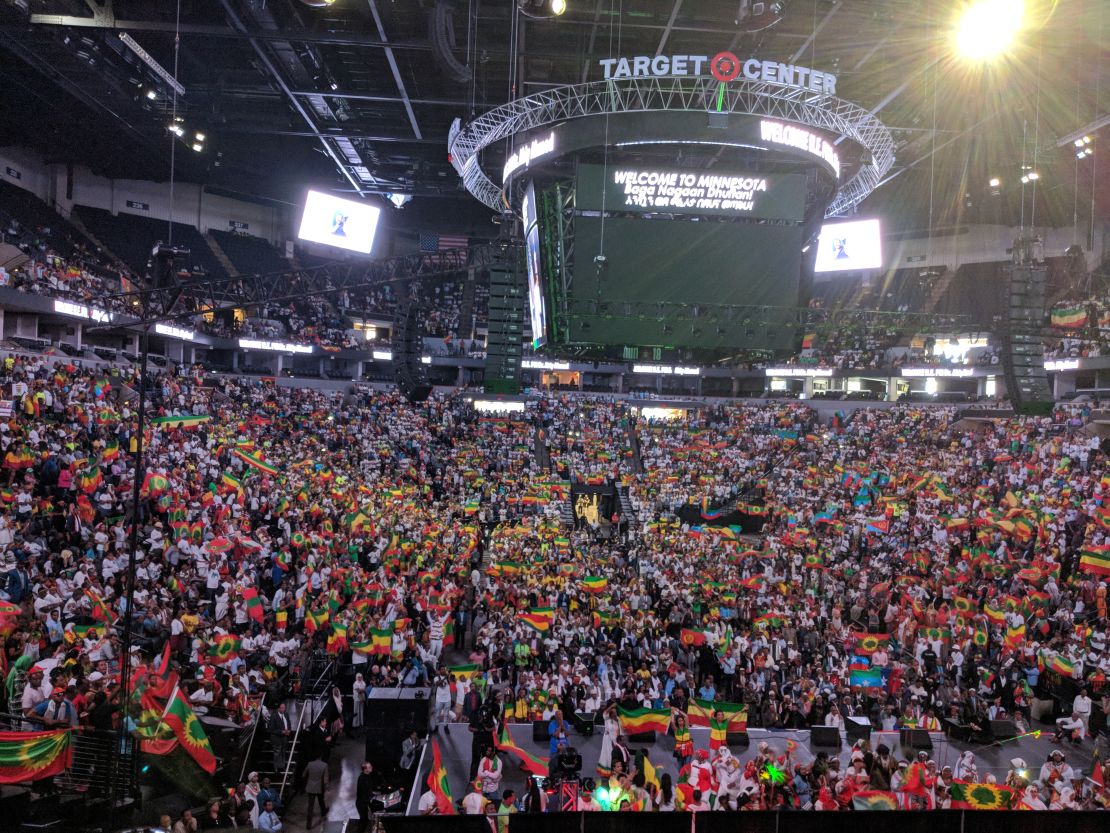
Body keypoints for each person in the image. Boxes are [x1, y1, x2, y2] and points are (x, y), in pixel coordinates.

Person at [303, 754, 329, 828]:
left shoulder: (310, 764)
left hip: (310, 787)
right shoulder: (324, 765)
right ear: (321, 757)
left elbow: (304, 774)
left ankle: (308, 825)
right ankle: (323, 813)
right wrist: (327, 787)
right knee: (321, 801)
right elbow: (326, 778)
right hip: (319, 787)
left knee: (310, 806)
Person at [268, 702, 293, 774]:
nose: (283, 709)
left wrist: (289, 730)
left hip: (284, 738)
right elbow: (271, 729)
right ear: (278, 708)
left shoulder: (286, 715)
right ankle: (276, 767)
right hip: (276, 738)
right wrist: (281, 732)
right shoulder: (274, 716)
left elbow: (289, 724)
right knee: (277, 753)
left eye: (284, 708)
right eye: (281, 708)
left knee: (283, 752)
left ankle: (282, 766)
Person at [355, 761, 376, 833]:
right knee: (363, 821)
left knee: (365, 821)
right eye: (369, 767)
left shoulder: (368, 776)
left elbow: (368, 791)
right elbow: (363, 793)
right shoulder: (362, 778)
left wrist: (374, 795)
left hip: (364, 802)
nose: (371, 767)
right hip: (361, 803)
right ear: (365, 769)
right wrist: (369, 802)